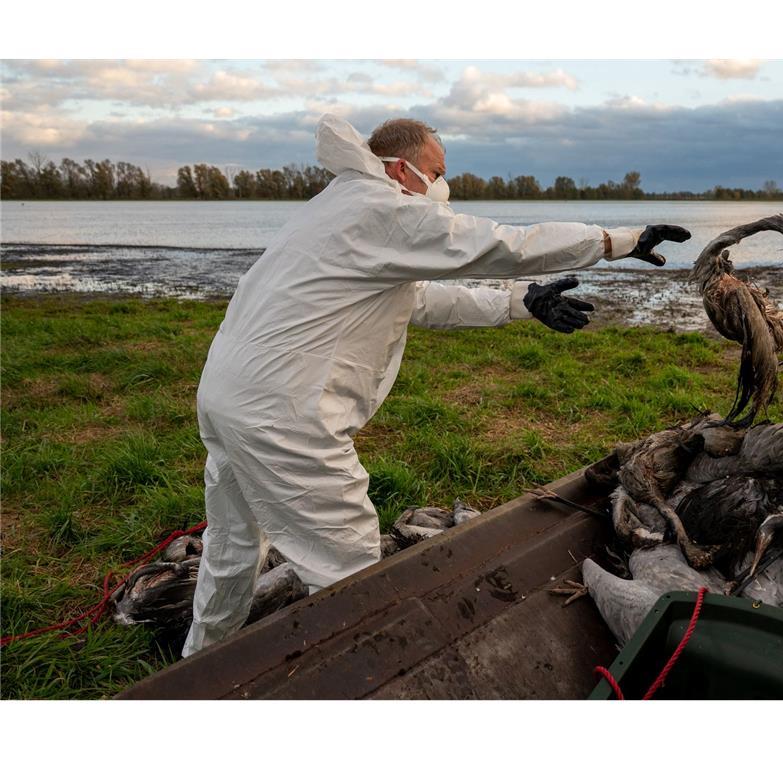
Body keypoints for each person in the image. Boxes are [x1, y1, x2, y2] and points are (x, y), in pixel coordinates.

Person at [182, 113, 690, 656]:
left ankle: (198, 660)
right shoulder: (380, 209)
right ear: (402, 168)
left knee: (232, 542)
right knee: (347, 565)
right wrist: (615, 240)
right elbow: (500, 244)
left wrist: (523, 302)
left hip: (228, 397)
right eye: (437, 171)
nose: (443, 185)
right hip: (284, 412)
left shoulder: (341, 205)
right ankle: (361, 679)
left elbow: (418, 299)